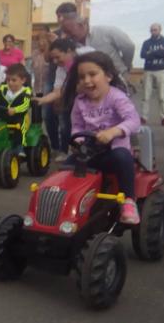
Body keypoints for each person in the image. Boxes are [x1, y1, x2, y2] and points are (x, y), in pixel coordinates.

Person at [62, 51, 141, 224]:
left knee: (123, 157)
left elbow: (133, 120)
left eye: (92, 74)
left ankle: (128, 201)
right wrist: (78, 141)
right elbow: (77, 126)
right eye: (82, 77)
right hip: (89, 151)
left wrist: (113, 132)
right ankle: (66, 205)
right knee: (66, 167)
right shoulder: (80, 101)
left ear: (108, 76)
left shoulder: (116, 97)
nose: (87, 81)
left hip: (114, 151)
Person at [34, 38, 77, 162]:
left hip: (94, 98)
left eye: (58, 57)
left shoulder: (87, 56)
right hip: (74, 97)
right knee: (65, 123)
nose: (55, 61)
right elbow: (58, 91)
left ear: (69, 51)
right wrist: (43, 100)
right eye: (53, 58)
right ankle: (65, 151)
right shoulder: (61, 68)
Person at [61, 14, 135, 85]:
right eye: (65, 32)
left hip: (116, 78)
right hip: (91, 83)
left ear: (82, 25)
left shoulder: (106, 31)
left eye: (68, 31)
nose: (67, 35)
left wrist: (126, 65)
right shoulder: (72, 44)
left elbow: (128, 46)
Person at [0, 64, 32, 157]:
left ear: (23, 80)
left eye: (14, 80)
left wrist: (15, 109)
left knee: (20, 126)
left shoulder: (26, 91)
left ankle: (19, 147)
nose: (10, 83)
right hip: (3, 116)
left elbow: (25, 105)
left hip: (19, 116)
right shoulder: (3, 89)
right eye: (8, 80)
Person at [140, 23, 164, 126]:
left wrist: (151, 53)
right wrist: (157, 52)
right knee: (146, 96)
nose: (153, 32)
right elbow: (142, 55)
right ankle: (144, 117)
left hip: (161, 70)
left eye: (155, 30)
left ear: (160, 30)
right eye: (152, 30)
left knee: (162, 96)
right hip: (148, 70)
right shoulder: (146, 42)